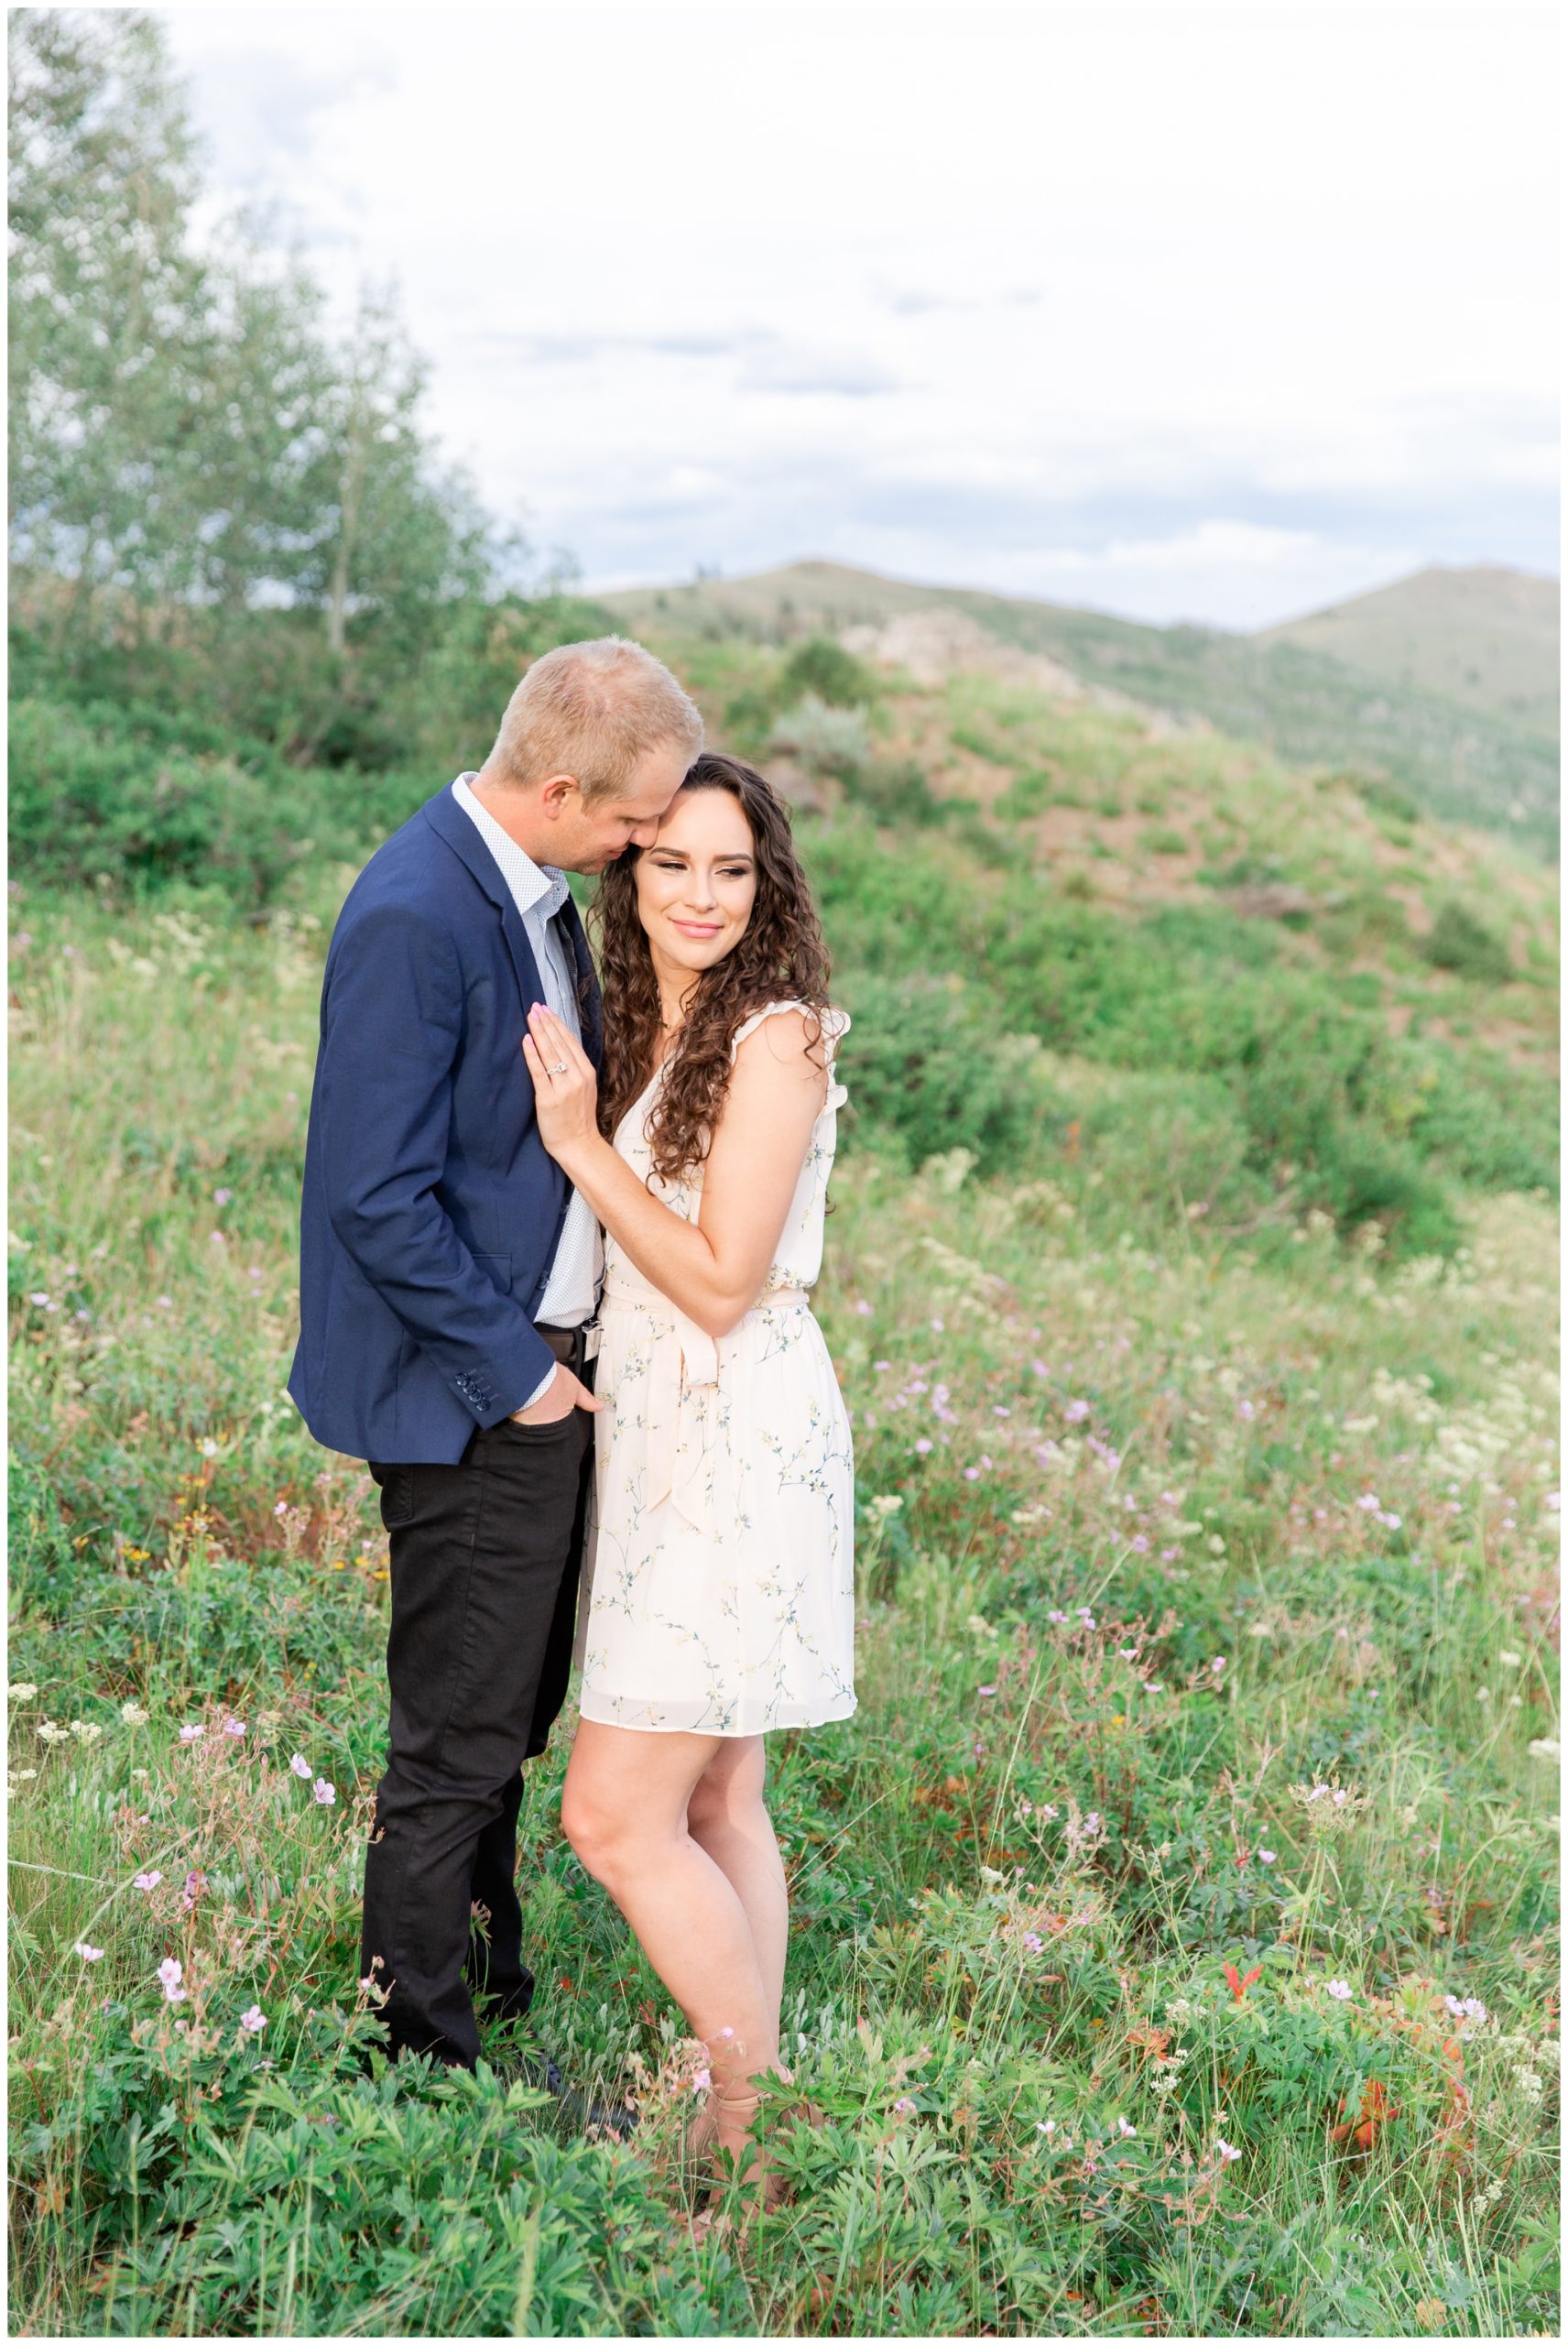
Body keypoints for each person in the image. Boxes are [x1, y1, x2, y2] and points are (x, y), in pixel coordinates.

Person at [287, 637, 703, 2090]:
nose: (646, 845)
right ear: (566, 784)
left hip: (542, 1370)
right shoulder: (418, 910)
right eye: (638, 819)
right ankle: (417, 2068)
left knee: (507, 1712)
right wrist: (516, 1378)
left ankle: (490, 1980)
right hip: (474, 1390)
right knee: (457, 1732)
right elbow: (370, 1191)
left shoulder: (527, 896)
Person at [519, 752, 856, 2199]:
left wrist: (587, 1151)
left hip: (734, 1434)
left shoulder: (775, 1036)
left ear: (764, 882)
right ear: (630, 873)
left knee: (613, 1815)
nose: (701, 895)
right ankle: (748, 2145)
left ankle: (758, 2108)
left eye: (732, 868)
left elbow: (721, 1282)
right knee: (718, 1798)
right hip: (666, 1431)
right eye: (673, 864)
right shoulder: (663, 1018)